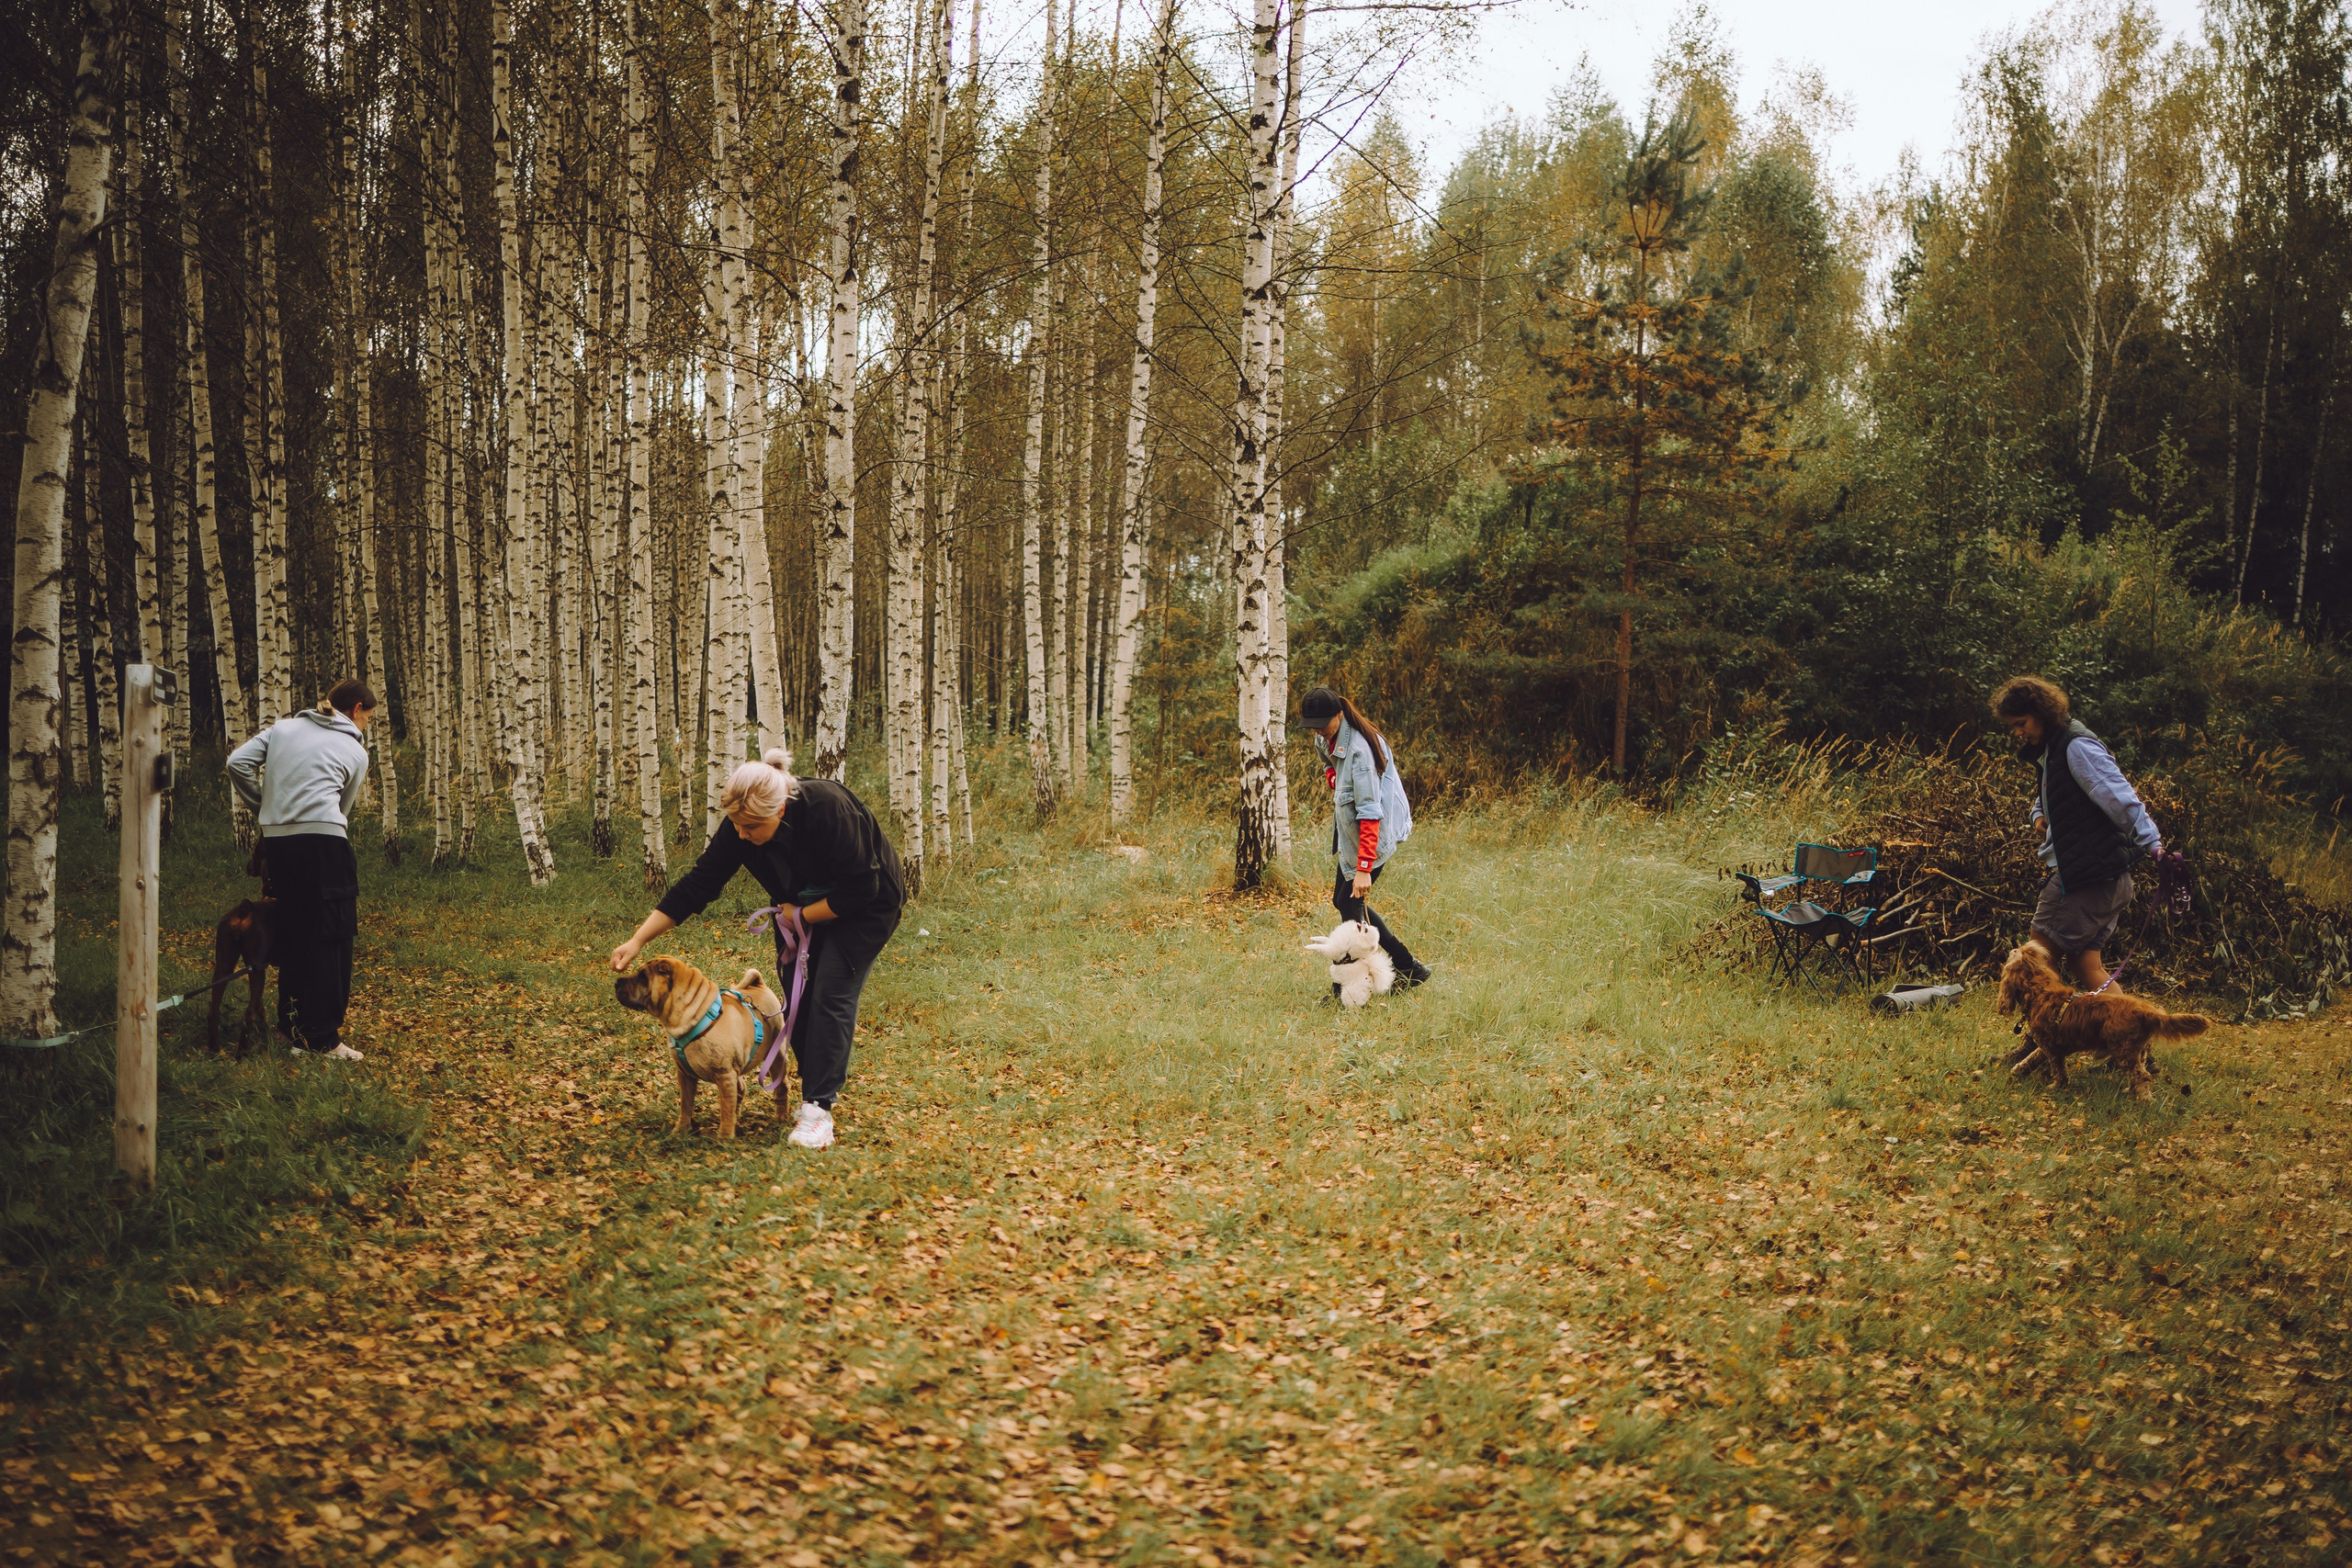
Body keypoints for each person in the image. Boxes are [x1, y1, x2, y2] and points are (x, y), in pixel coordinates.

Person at [610, 749, 904, 1149]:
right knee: (796, 1001)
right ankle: (810, 1095)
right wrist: (639, 939)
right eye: (736, 826)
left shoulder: (830, 811)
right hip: (798, 908)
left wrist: (802, 912)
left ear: (780, 809)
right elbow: (700, 884)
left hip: (863, 908)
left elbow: (861, 889)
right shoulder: (741, 827)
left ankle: (818, 1112)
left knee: (829, 995)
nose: (742, 835)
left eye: (750, 826)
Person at [226, 680, 376, 1061]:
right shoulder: (355, 750)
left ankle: (288, 1029)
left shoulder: (283, 728)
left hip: (278, 845)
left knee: (294, 929)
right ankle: (322, 1038)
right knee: (332, 936)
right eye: (369, 718)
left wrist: (267, 810)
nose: (367, 726)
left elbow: (236, 762)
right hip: (324, 844)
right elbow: (342, 809)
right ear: (357, 709)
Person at [1993, 675, 2164, 993]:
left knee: (2034, 963)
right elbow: (2052, 791)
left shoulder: (2076, 746)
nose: (2018, 732)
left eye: (2021, 722)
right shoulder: (2053, 750)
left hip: (2084, 877)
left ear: (2041, 713)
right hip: (2107, 879)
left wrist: (2153, 845)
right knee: (2088, 967)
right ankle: (2127, 1038)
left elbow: (2119, 796)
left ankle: (2045, 1040)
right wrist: (2039, 813)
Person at [1297, 686, 1430, 989]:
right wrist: (1334, 777)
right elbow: (1328, 764)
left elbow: (1371, 814)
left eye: (1323, 723)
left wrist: (1363, 868)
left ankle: (1352, 986)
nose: (1318, 731)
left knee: (1350, 906)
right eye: (1312, 725)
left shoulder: (1360, 752)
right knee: (1343, 901)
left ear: (1339, 715)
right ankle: (1408, 967)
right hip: (1353, 831)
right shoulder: (1324, 737)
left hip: (1374, 832)